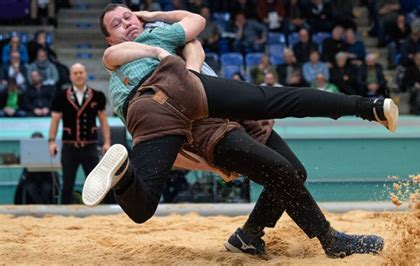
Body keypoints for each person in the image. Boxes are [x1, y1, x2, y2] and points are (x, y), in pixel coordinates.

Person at [83, 4, 398, 257]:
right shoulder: (152, 42)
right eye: (117, 23)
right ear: (110, 37)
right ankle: (331, 238)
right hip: (191, 110)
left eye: (129, 15)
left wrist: (154, 22)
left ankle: (248, 235)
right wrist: (160, 41)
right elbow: (188, 26)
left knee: (290, 169)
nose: (127, 22)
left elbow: (191, 29)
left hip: (201, 107)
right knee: (276, 106)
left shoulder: (149, 44)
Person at [48, 63, 111, 204]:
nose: (78, 75)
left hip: (90, 147)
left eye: (81, 72)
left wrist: (107, 142)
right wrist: (51, 141)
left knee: (96, 184)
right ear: (70, 76)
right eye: (75, 73)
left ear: (86, 74)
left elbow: (103, 121)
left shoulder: (97, 96)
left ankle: (98, 212)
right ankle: (64, 214)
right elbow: (55, 121)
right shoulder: (61, 97)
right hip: (69, 147)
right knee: (67, 184)